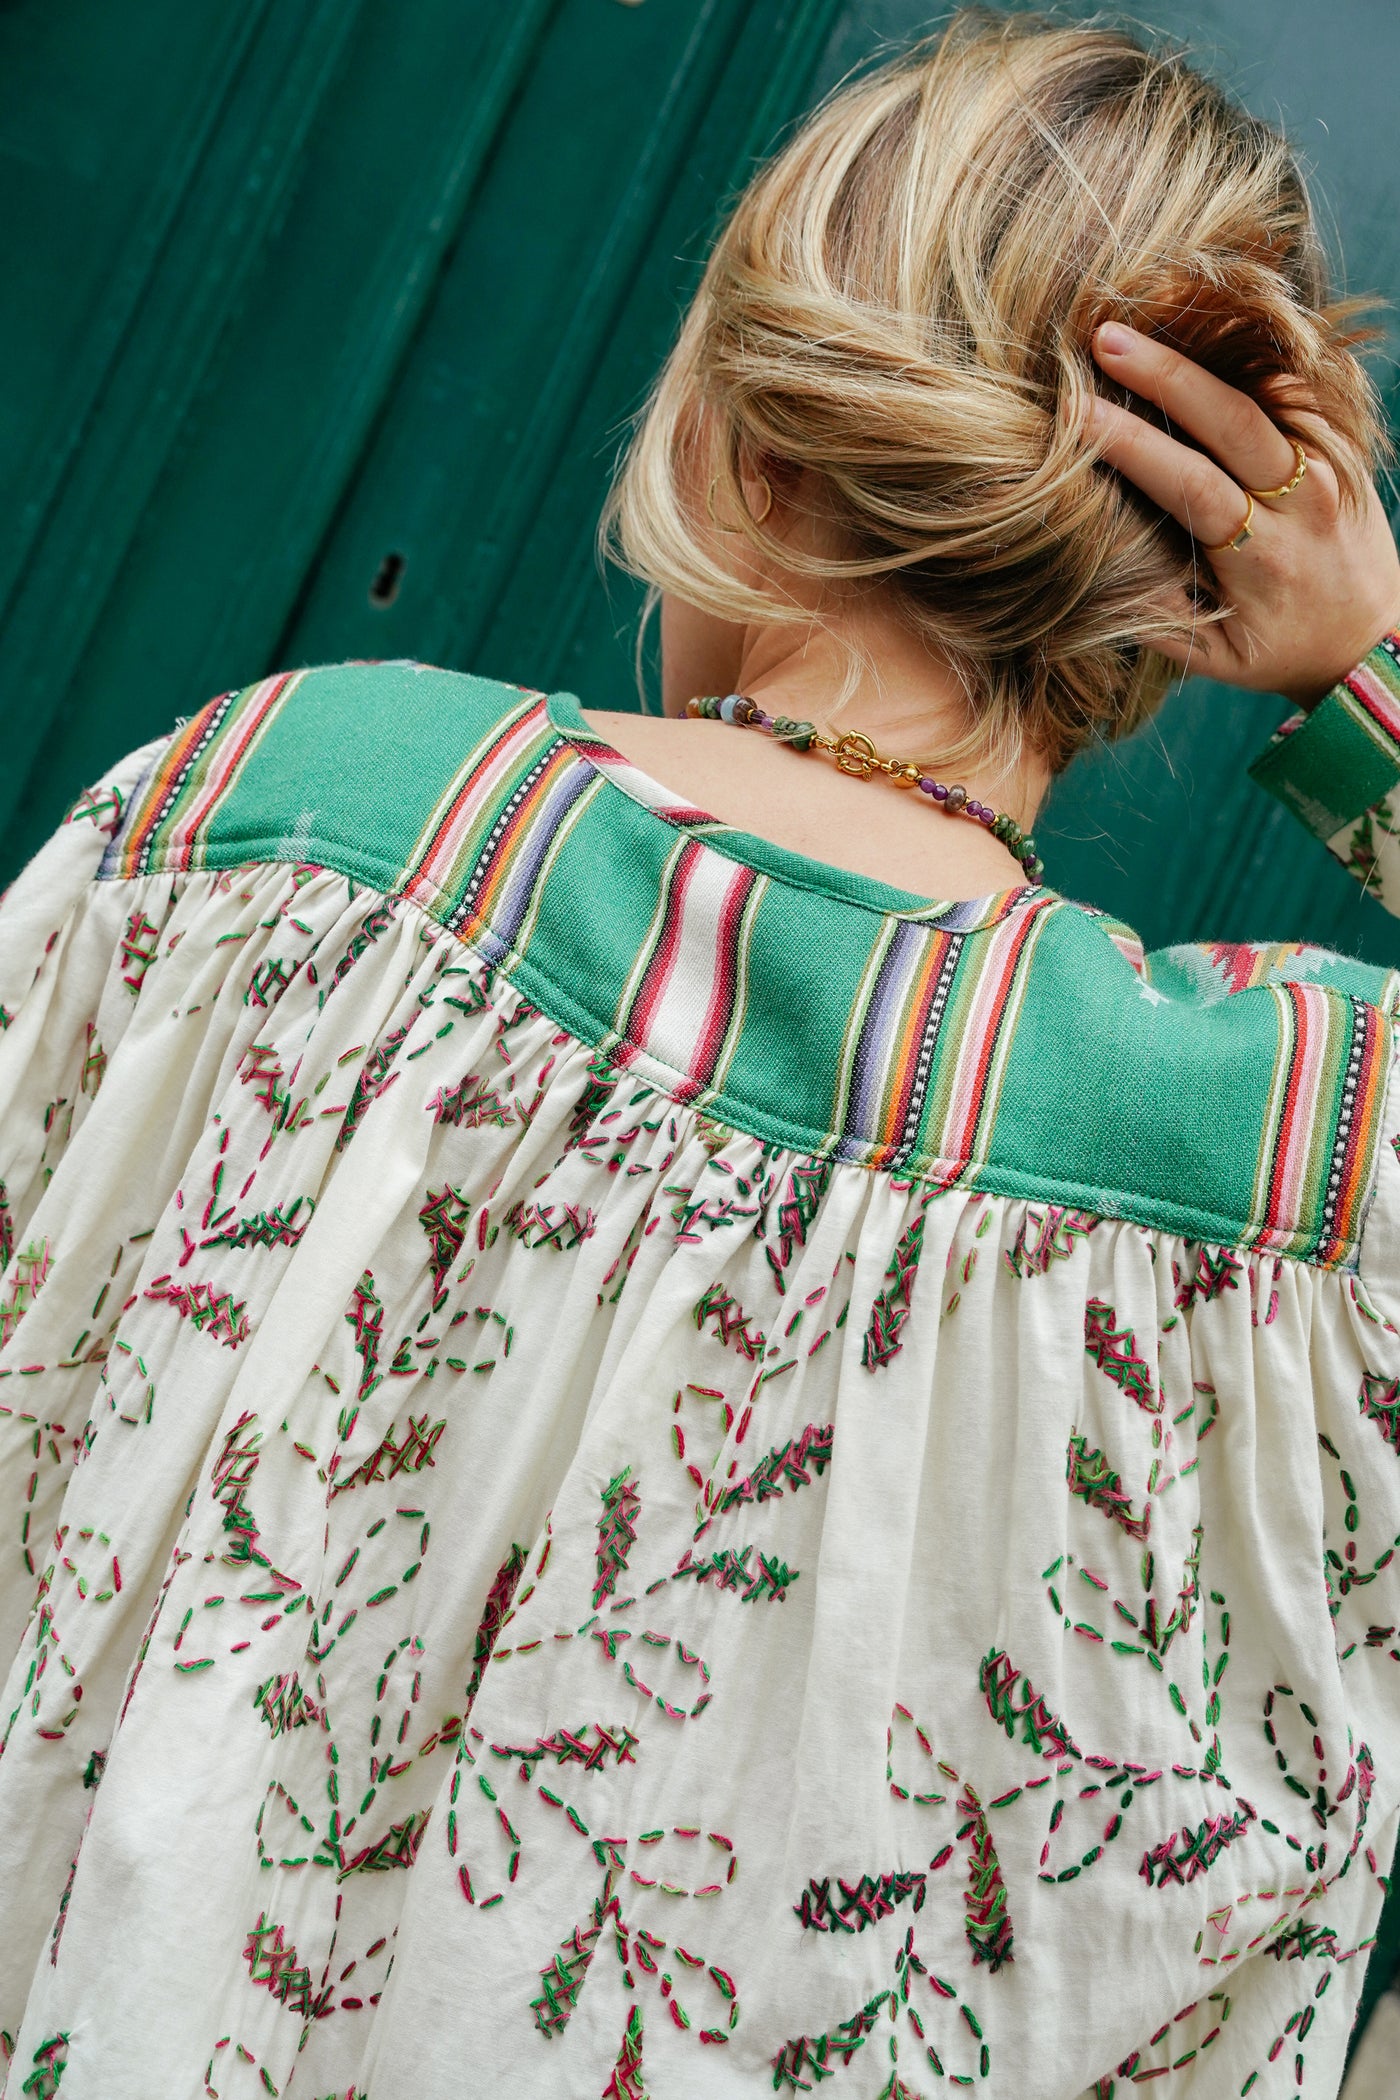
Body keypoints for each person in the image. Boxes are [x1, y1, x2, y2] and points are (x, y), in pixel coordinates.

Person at [3, 10, 1400, 2096]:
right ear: (1161, 604)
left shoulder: (277, 821)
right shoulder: (1309, 1180)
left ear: (751, 446)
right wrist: (1365, 677)